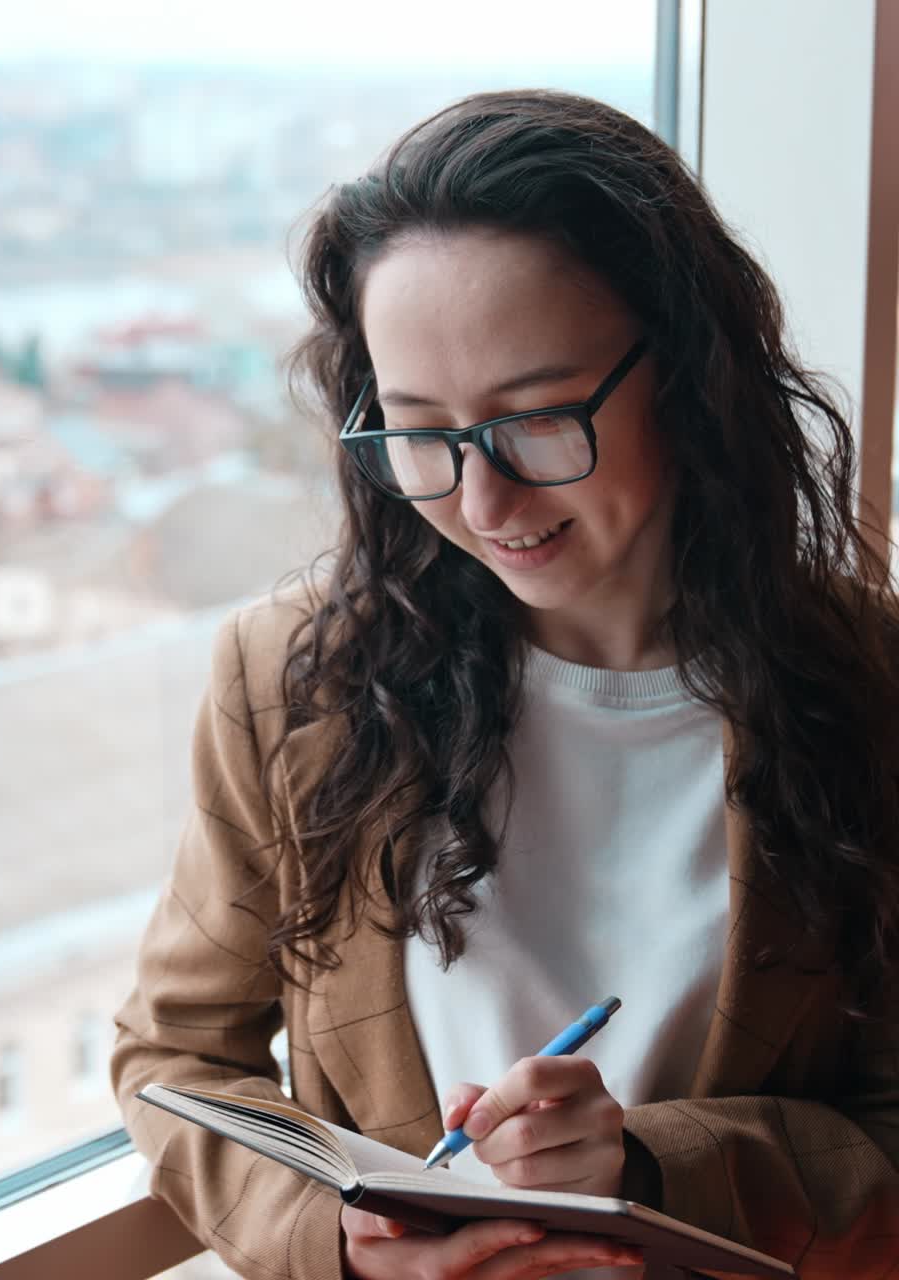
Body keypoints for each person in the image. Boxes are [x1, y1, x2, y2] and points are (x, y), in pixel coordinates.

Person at [110, 89, 899, 1280]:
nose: (481, 507)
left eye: (534, 422)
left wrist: (647, 1166)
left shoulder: (874, 692)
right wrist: (342, 1239)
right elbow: (171, 1059)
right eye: (418, 431)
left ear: (687, 376)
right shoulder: (293, 682)